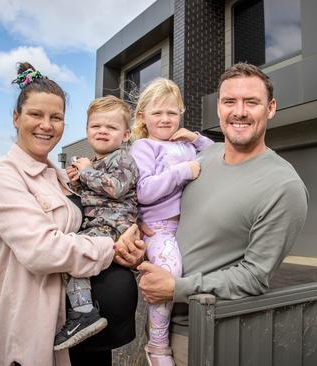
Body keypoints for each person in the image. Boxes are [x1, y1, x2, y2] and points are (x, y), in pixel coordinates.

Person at [137, 63, 309, 366]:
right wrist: (135, 229)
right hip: (157, 326)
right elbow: (158, 203)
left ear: (270, 108)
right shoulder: (203, 156)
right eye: (230, 101)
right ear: (219, 108)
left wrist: (177, 288)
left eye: (251, 102)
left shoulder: (284, 186)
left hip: (210, 335)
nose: (239, 112)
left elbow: (254, 277)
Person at [0, 62, 145, 366]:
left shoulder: (63, 177)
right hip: (43, 332)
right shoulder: (2, 177)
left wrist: (133, 247)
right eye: (35, 115)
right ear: (16, 118)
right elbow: (43, 251)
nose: (46, 125)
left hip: (92, 337)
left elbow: (106, 215)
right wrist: (113, 248)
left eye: (56, 117)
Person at [129, 78, 214, 365]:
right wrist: (182, 172)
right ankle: (158, 345)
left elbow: (215, 153)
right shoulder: (144, 147)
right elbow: (144, 191)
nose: (165, 119)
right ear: (143, 117)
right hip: (161, 228)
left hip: (189, 226)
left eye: (172, 112)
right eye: (157, 113)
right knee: (169, 271)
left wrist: (195, 138)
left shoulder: (185, 144)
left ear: (181, 113)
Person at [54, 95, 139, 351]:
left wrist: (86, 171)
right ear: (87, 130)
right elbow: (91, 194)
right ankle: (83, 311)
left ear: (125, 135)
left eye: (111, 127)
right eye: (96, 126)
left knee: (74, 254)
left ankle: (83, 313)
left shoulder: (123, 159)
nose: (102, 131)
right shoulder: (97, 162)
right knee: (73, 259)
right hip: (97, 225)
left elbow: (116, 188)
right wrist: (76, 180)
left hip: (113, 226)